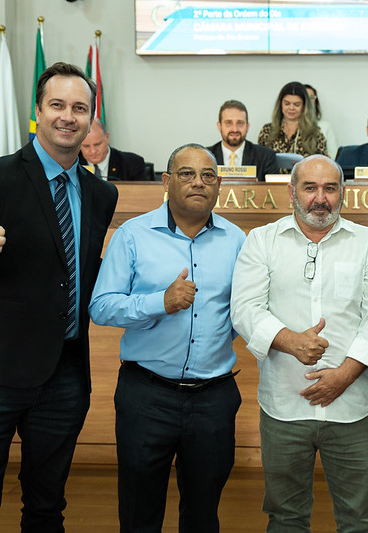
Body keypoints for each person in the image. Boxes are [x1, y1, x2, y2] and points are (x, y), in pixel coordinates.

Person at [0, 62, 118, 532]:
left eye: (79, 108)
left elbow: (79, 274)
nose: (68, 116)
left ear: (91, 118)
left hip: (65, 374)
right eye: (57, 105)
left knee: (47, 510)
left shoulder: (101, 193)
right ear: (38, 111)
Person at [230, 154, 368, 531]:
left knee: (359, 520)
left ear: (342, 193)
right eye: (310, 188)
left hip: (350, 407)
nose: (320, 198)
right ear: (292, 192)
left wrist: (345, 375)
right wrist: (291, 341)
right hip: (284, 406)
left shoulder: (366, 242)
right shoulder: (262, 241)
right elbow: (244, 308)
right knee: (286, 518)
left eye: (329, 188)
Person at [89, 143, 245, 532]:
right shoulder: (133, 235)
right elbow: (102, 306)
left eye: (208, 175)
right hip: (147, 396)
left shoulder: (237, 240)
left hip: (213, 399)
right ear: (166, 181)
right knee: (140, 514)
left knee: (203, 515)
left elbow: (245, 312)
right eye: (187, 174)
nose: (198, 182)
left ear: (219, 185)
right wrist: (160, 302)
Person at [208, 99, 280, 180]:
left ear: (247, 126)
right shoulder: (206, 157)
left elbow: (274, 187)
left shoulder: (265, 156)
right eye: (229, 123)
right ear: (219, 126)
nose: (235, 129)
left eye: (240, 123)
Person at [257, 81, 328, 158]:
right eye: (287, 104)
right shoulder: (267, 130)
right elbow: (259, 159)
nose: (291, 108)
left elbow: (322, 161)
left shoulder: (315, 132)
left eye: (297, 105)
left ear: (304, 106)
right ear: (280, 104)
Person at [79, 118, 148, 180]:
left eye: (97, 144)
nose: (93, 151)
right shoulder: (73, 163)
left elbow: (141, 190)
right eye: (86, 146)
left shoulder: (132, 164)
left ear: (107, 138)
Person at [304, 83, 339, 158]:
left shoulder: (325, 126)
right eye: (305, 97)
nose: (308, 101)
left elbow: (334, 155)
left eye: (311, 97)